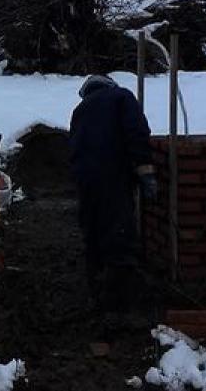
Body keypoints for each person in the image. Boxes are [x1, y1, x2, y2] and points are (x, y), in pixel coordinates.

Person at [69, 74, 156, 323]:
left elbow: (74, 147)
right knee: (119, 236)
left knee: (94, 236)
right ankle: (119, 309)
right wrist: (145, 171)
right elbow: (136, 132)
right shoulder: (122, 97)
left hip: (85, 181)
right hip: (113, 177)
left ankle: (96, 297)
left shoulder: (80, 110)